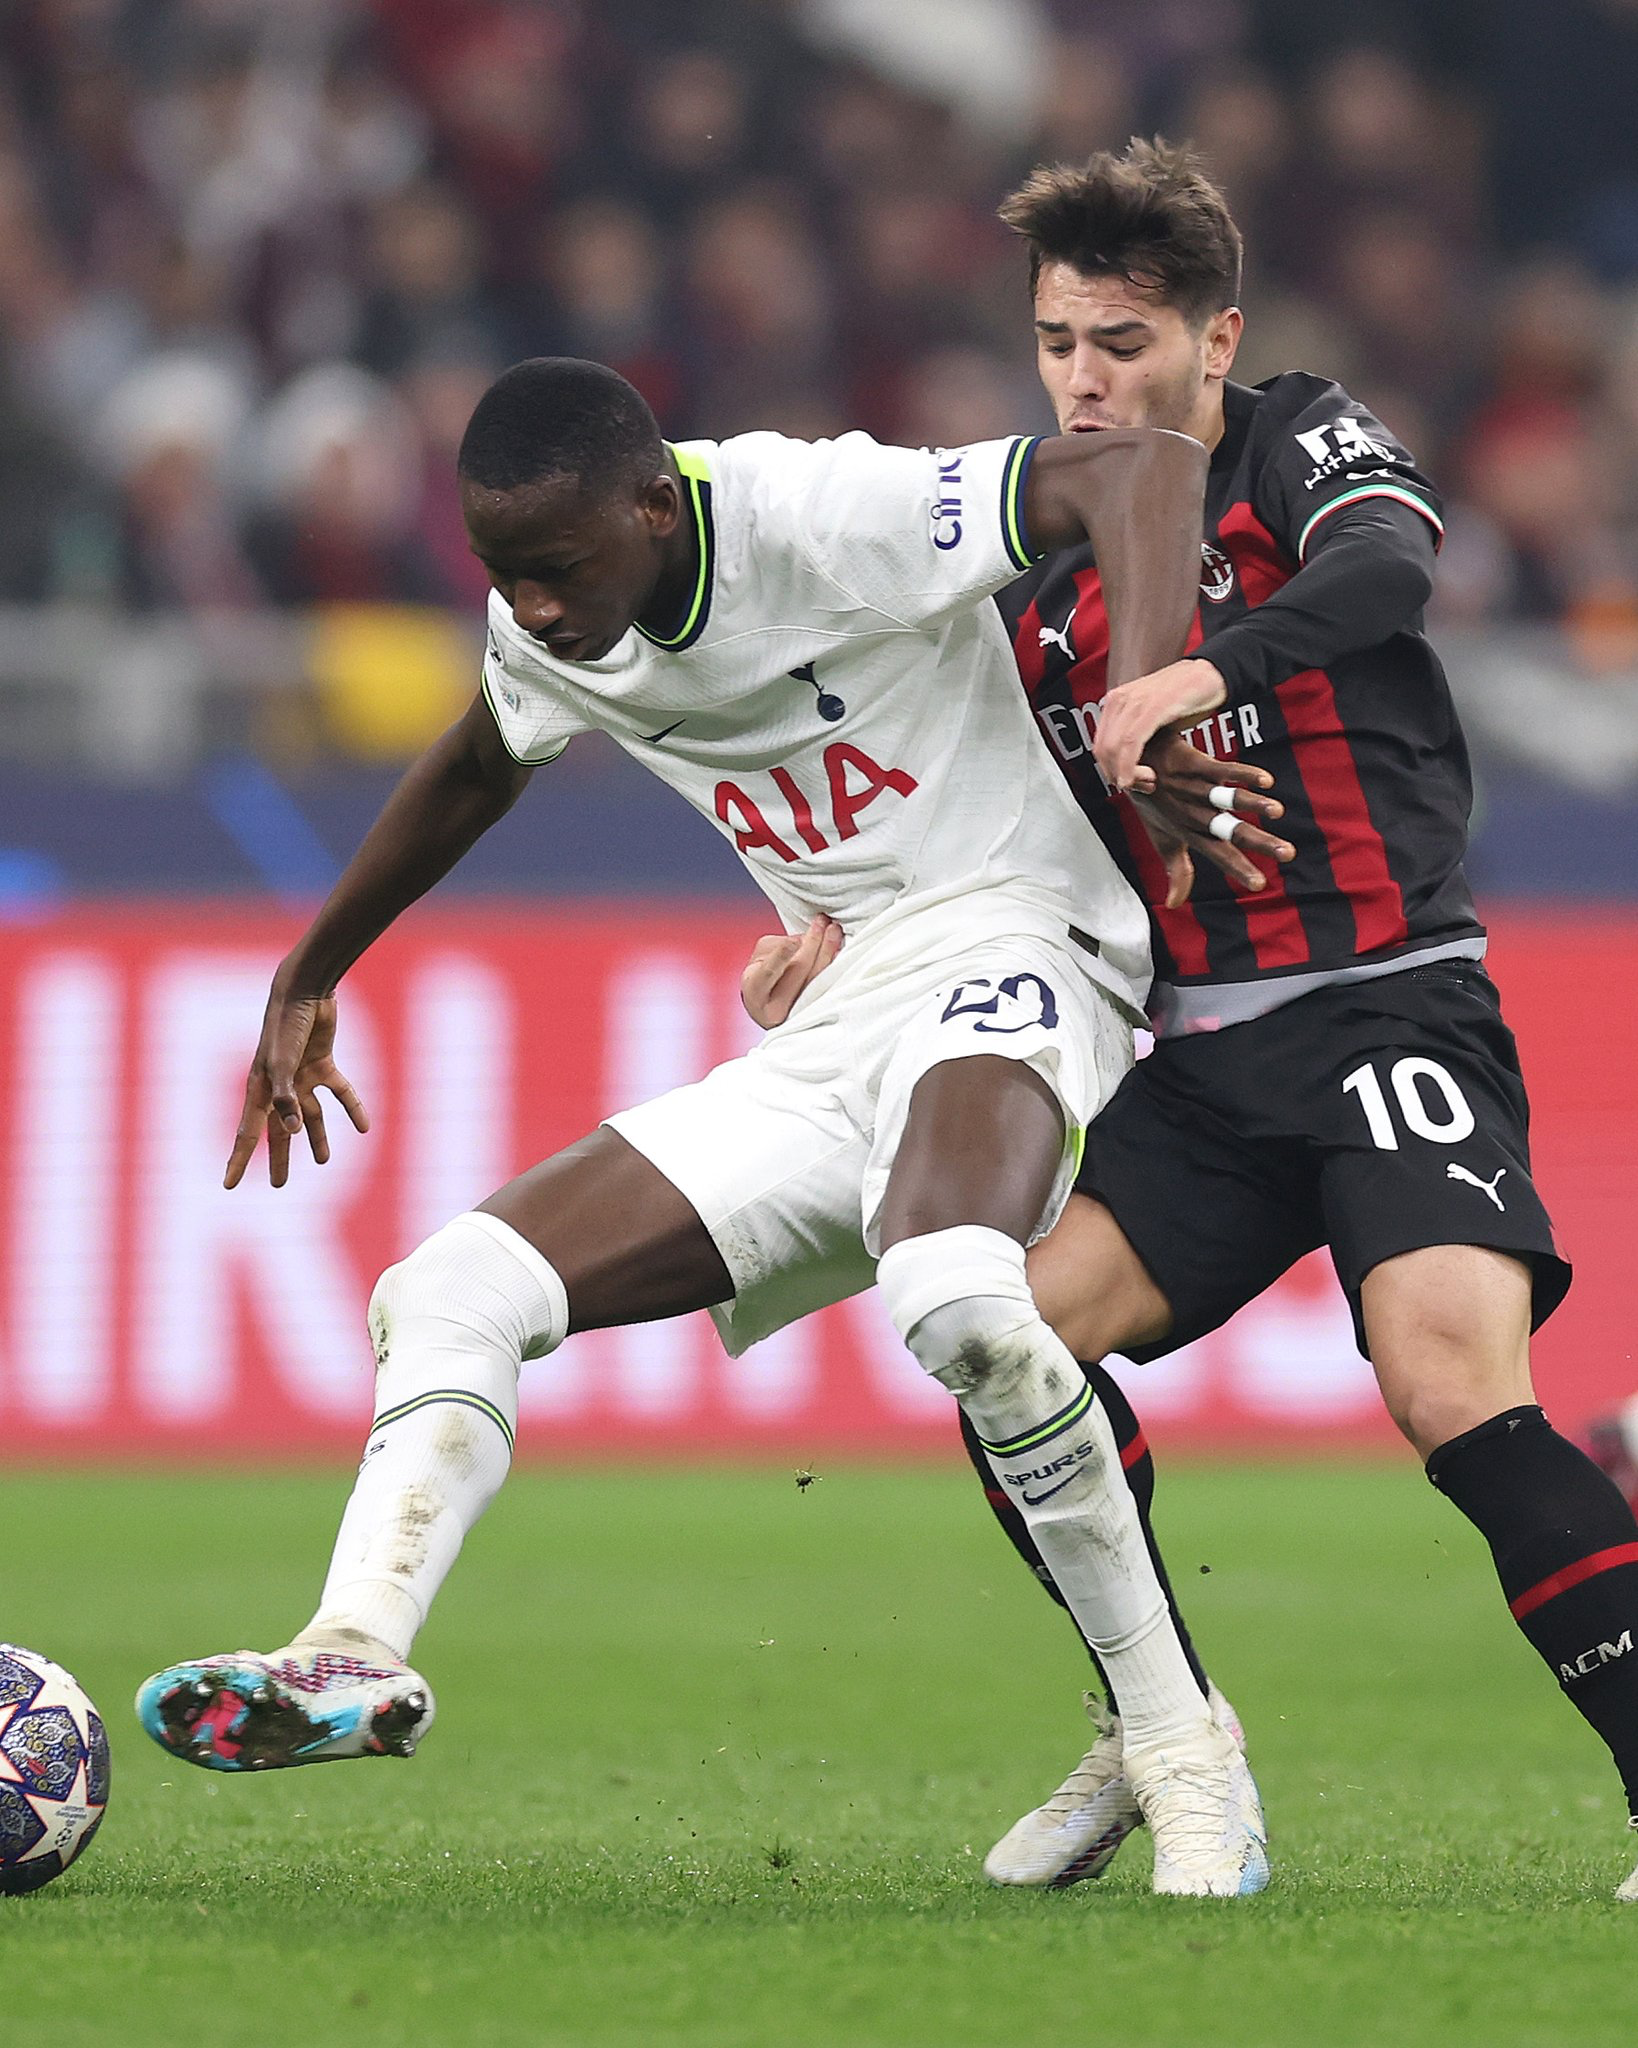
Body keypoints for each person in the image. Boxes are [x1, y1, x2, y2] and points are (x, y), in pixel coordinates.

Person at [133, 355, 1276, 1896]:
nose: (531, 608)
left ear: (654, 509)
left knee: (955, 1292)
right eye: (501, 576)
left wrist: (1144, 703)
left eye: (555, 570)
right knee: (448, 1290)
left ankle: (1182, 1749)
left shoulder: (817, 510)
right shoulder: (555, 622)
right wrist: (310, 967)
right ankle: (349, 1651)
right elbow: (480, 757)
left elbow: (1134, 471)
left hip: (1021, 945)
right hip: (840, 1007)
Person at [745, 140, 1638, 1905]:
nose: (1087, 378)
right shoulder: (1031, 565)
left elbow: (1391, 566)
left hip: (1386, 1004)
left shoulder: (1295, 436)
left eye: (1126, 342)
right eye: (1060, 342)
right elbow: (989, 822)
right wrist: (849, 930)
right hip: (1206, 1061)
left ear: (1214, 341)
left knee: (1448, 1386)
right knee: (1011, 1357)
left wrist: (1206, 667)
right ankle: (1156, 1724)